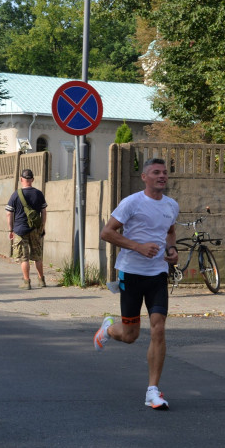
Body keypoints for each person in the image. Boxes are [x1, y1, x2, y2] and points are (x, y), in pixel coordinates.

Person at [94, 158, 179, 411]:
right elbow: (107, 232)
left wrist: (172, 249)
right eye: (156, 172)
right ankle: (108, 329)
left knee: (158, 328)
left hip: (157, 274)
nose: (162, 176)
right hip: (130, 273)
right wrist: (138, 247)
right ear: (145, 177)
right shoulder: (132, 202)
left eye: (164, 172)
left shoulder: (171, 205)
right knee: (130, 335)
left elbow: (170, 231)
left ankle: (153, 391)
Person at [5, 169, 47, 289]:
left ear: (21, 179)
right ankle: (41, 280)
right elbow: (44, 212)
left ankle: (26, 282)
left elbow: (9, 213)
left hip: (20, 230)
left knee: (24, 257)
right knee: (38, 256)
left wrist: (10, 229)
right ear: (32, 180)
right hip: (35, 229)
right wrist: (42, 226)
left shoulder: (15, 194)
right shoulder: (38, 194)